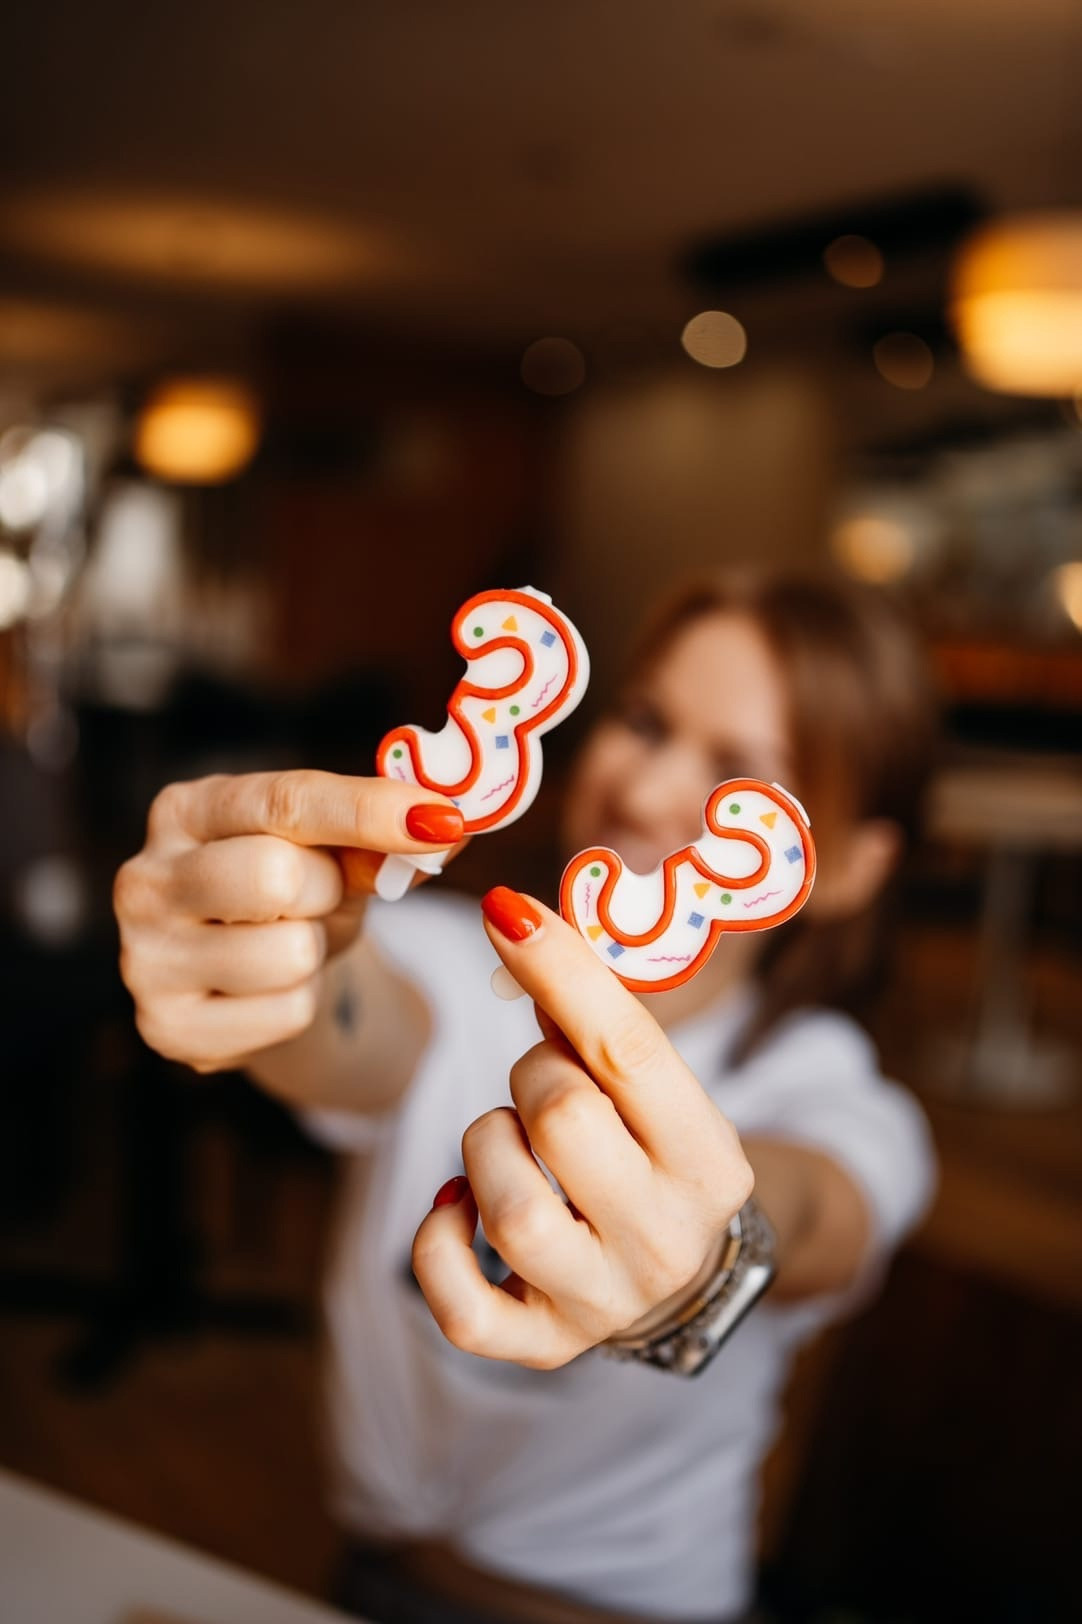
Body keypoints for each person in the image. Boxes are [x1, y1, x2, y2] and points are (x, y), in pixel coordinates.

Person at [114, 567, 937, 1624]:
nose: (641, 793)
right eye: (643, 722)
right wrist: (251, 944)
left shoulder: (829, 1092)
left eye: (739, 778)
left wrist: (709, 1252)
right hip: (359, 1578)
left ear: (852, 866)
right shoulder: (451, 962)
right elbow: (344, 1020)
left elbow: (811, 1216)